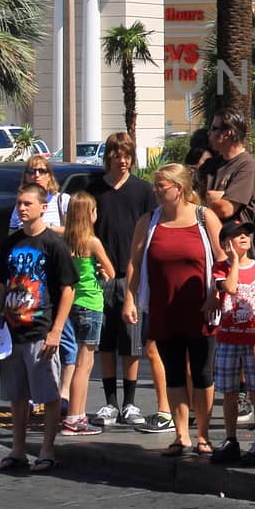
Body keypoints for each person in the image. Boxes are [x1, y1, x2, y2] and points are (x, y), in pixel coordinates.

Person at [126, 163, 224, 457]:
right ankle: (182, 435)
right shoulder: (149, 221)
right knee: (175, 373)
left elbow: (223, 260)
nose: (155, 191)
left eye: (161, 186)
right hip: (163, 309)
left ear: (179, 189)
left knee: (203, 372)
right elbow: (134, 261)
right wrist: (130, 298)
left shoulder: (204, 217)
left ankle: (203, 435)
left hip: (201, 309)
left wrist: (216, 297)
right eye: (155, 185)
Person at [0, 181, 76, 474]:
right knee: (17, 395)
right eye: (19, 203)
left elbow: (67, 289)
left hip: (41, 328)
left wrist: (57, 329)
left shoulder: (53, 244)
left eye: (28, 203)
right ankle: (18, 450)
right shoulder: (11, 243)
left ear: (43, 207)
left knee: (48, 394)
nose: (22, 208)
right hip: (12, 331)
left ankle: (47, 451)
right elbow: (1, 284)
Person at [85, 133, 156, 430]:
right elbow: (85, 232)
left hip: (132, 278)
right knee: (105, 343)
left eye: (128, 155)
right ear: (109, 157)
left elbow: (152, 232)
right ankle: (110, 402)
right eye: (118, 155)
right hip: (101, 277)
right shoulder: (94, 189)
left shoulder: (143, 191)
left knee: (131, 343)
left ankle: (130, 403)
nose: (123, 161)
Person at [209, 219, 255, 467]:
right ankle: (231, 439)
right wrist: (234, 261)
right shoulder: (220, 268)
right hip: (228, 337)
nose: (244, 237)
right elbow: (231, 288)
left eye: (247, 233)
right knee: (230, 392)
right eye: (237, 235)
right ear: (227, 243)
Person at [60, 194, 115, 437]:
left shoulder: (64, 240)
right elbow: (111, 271)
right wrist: (101, 270)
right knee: (85, 364)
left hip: (71, 304)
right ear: (90, 214)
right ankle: (75, 416)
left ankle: (77, 413)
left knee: (77, 362)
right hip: (91, 304)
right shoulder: (92, 242)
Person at [198, 111, 255, 226]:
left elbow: (225, 209)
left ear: (228, 133)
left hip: (232, 240)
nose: (209, 133)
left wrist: (202, 199)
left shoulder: (248, 166)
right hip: (207, 239)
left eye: (214, 128)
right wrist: (215, 197)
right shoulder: (210, 164)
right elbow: (188, 197)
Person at [8, 155, 69, 233]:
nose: (37, 175)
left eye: (42, 171)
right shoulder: (21, 203)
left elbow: (73, 233)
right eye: (32, 171)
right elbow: (12, 233)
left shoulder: (62, 200)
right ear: (26, 176)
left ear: (49, 175)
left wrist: (49, 227)